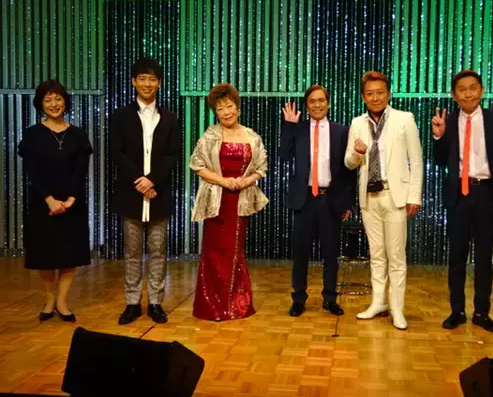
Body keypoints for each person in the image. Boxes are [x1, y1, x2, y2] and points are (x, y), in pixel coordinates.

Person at [431, 70, 493, 333]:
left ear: (482, 90)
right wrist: (438, 136)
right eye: (462, 89)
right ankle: (457, 311)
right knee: (456, 257)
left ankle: (481, 312)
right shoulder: (448, 120)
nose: (468, 94)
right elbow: (440, 161)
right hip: (459, 194)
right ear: (454, 95)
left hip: (487, 193)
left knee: (484, 257)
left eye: (473, 88)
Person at [344, 71, 423, 330]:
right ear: (363, 97)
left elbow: (416, 160)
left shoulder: (404, 119)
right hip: (369, 196)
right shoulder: (357, 123)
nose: (375, 97)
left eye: (380, 92)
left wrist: (414, 196)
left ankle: (397, 309)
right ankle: (378, 302)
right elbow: (348, 163)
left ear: (388, 94)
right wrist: (357, 154)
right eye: (370, 93)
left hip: (395, 195)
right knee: (376, 254)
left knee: (396, 256)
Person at [110, 58, 181, 325]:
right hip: (131, 194)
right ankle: (132, 303)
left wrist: (152, 181)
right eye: (142, 78)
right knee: (132, 252)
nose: (147, 84)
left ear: (159, 83)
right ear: (133, 81)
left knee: (158, 251)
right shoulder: (120, 116)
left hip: (158, 194)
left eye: (152, 79)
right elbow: (117, 152)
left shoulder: (170, 118)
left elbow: (173, 155)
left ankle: (155, 303)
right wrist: (139, 181)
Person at [189, 83, 268, 321]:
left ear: (237, 107)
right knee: (214, 251)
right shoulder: (210, 135)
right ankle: (211, 305)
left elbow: (261, 167)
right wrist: (224, 181)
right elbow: (197, 165)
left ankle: (236, 304)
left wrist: (245, 181)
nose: (226, 112)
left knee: (235, 250)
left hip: (240, 200)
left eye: (229, 106)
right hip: (217, 201)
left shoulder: (252, 136)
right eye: (220, 108)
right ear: (215, 112)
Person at [18, 80, 93, 322]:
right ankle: (49, 298)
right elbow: (32, 172)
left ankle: (62, 301)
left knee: (69, 255)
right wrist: (49, 200)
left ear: (65, 102)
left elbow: (80, 171)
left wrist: (70, 199)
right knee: (46, 256)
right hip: (42, 204)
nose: (54, 104)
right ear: (40, 104)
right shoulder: (32, 135)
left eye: (58, 99)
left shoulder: (78, 135)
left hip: (73, 204)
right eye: (48, 100)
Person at [280, 85, 356, 317]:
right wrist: (288, 127)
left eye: (321, 100)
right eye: (312, 101)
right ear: (307, 106)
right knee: (301, 253)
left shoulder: (341, 131)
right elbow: (284, 155)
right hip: (304, 200)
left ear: (328, 103)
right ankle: (298, 299)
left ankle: (330, 298)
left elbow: (349, 170)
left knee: (331, 254)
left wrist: (347, 203)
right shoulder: (298, 129)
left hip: (330, 199)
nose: (317, 105)